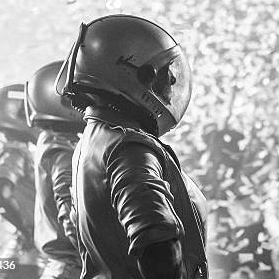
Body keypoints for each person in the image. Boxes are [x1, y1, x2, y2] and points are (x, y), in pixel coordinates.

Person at [56, 14, 207, 279]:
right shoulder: (129, 147)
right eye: (163, 77)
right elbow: (156, 239)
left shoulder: (95, 139)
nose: (171, 87)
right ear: (132, 72)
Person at [25, 61, 84, 279]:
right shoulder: (62, 149)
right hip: (73, 269)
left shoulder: (48, 140)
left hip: (60, 268)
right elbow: (71, 213)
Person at [0, 84, 41, 279]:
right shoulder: (16, 153)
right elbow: (0, 195)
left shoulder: (20, 151)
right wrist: (28, 232)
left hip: (24, 258)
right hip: (25, 261)